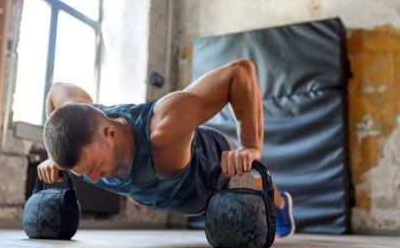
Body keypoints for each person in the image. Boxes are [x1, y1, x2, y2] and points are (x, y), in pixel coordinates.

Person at [37, 58, 295, 238]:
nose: (91, 178)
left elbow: (240, 71)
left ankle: (281, 203)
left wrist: (250, 146)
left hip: (212, 167)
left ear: (111, 132)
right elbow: (56, 90)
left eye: (94, 168)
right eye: (84, 172)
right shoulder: (83, 139)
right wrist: (53, 157)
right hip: (177, 191)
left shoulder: (164, 126)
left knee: (250, 182)